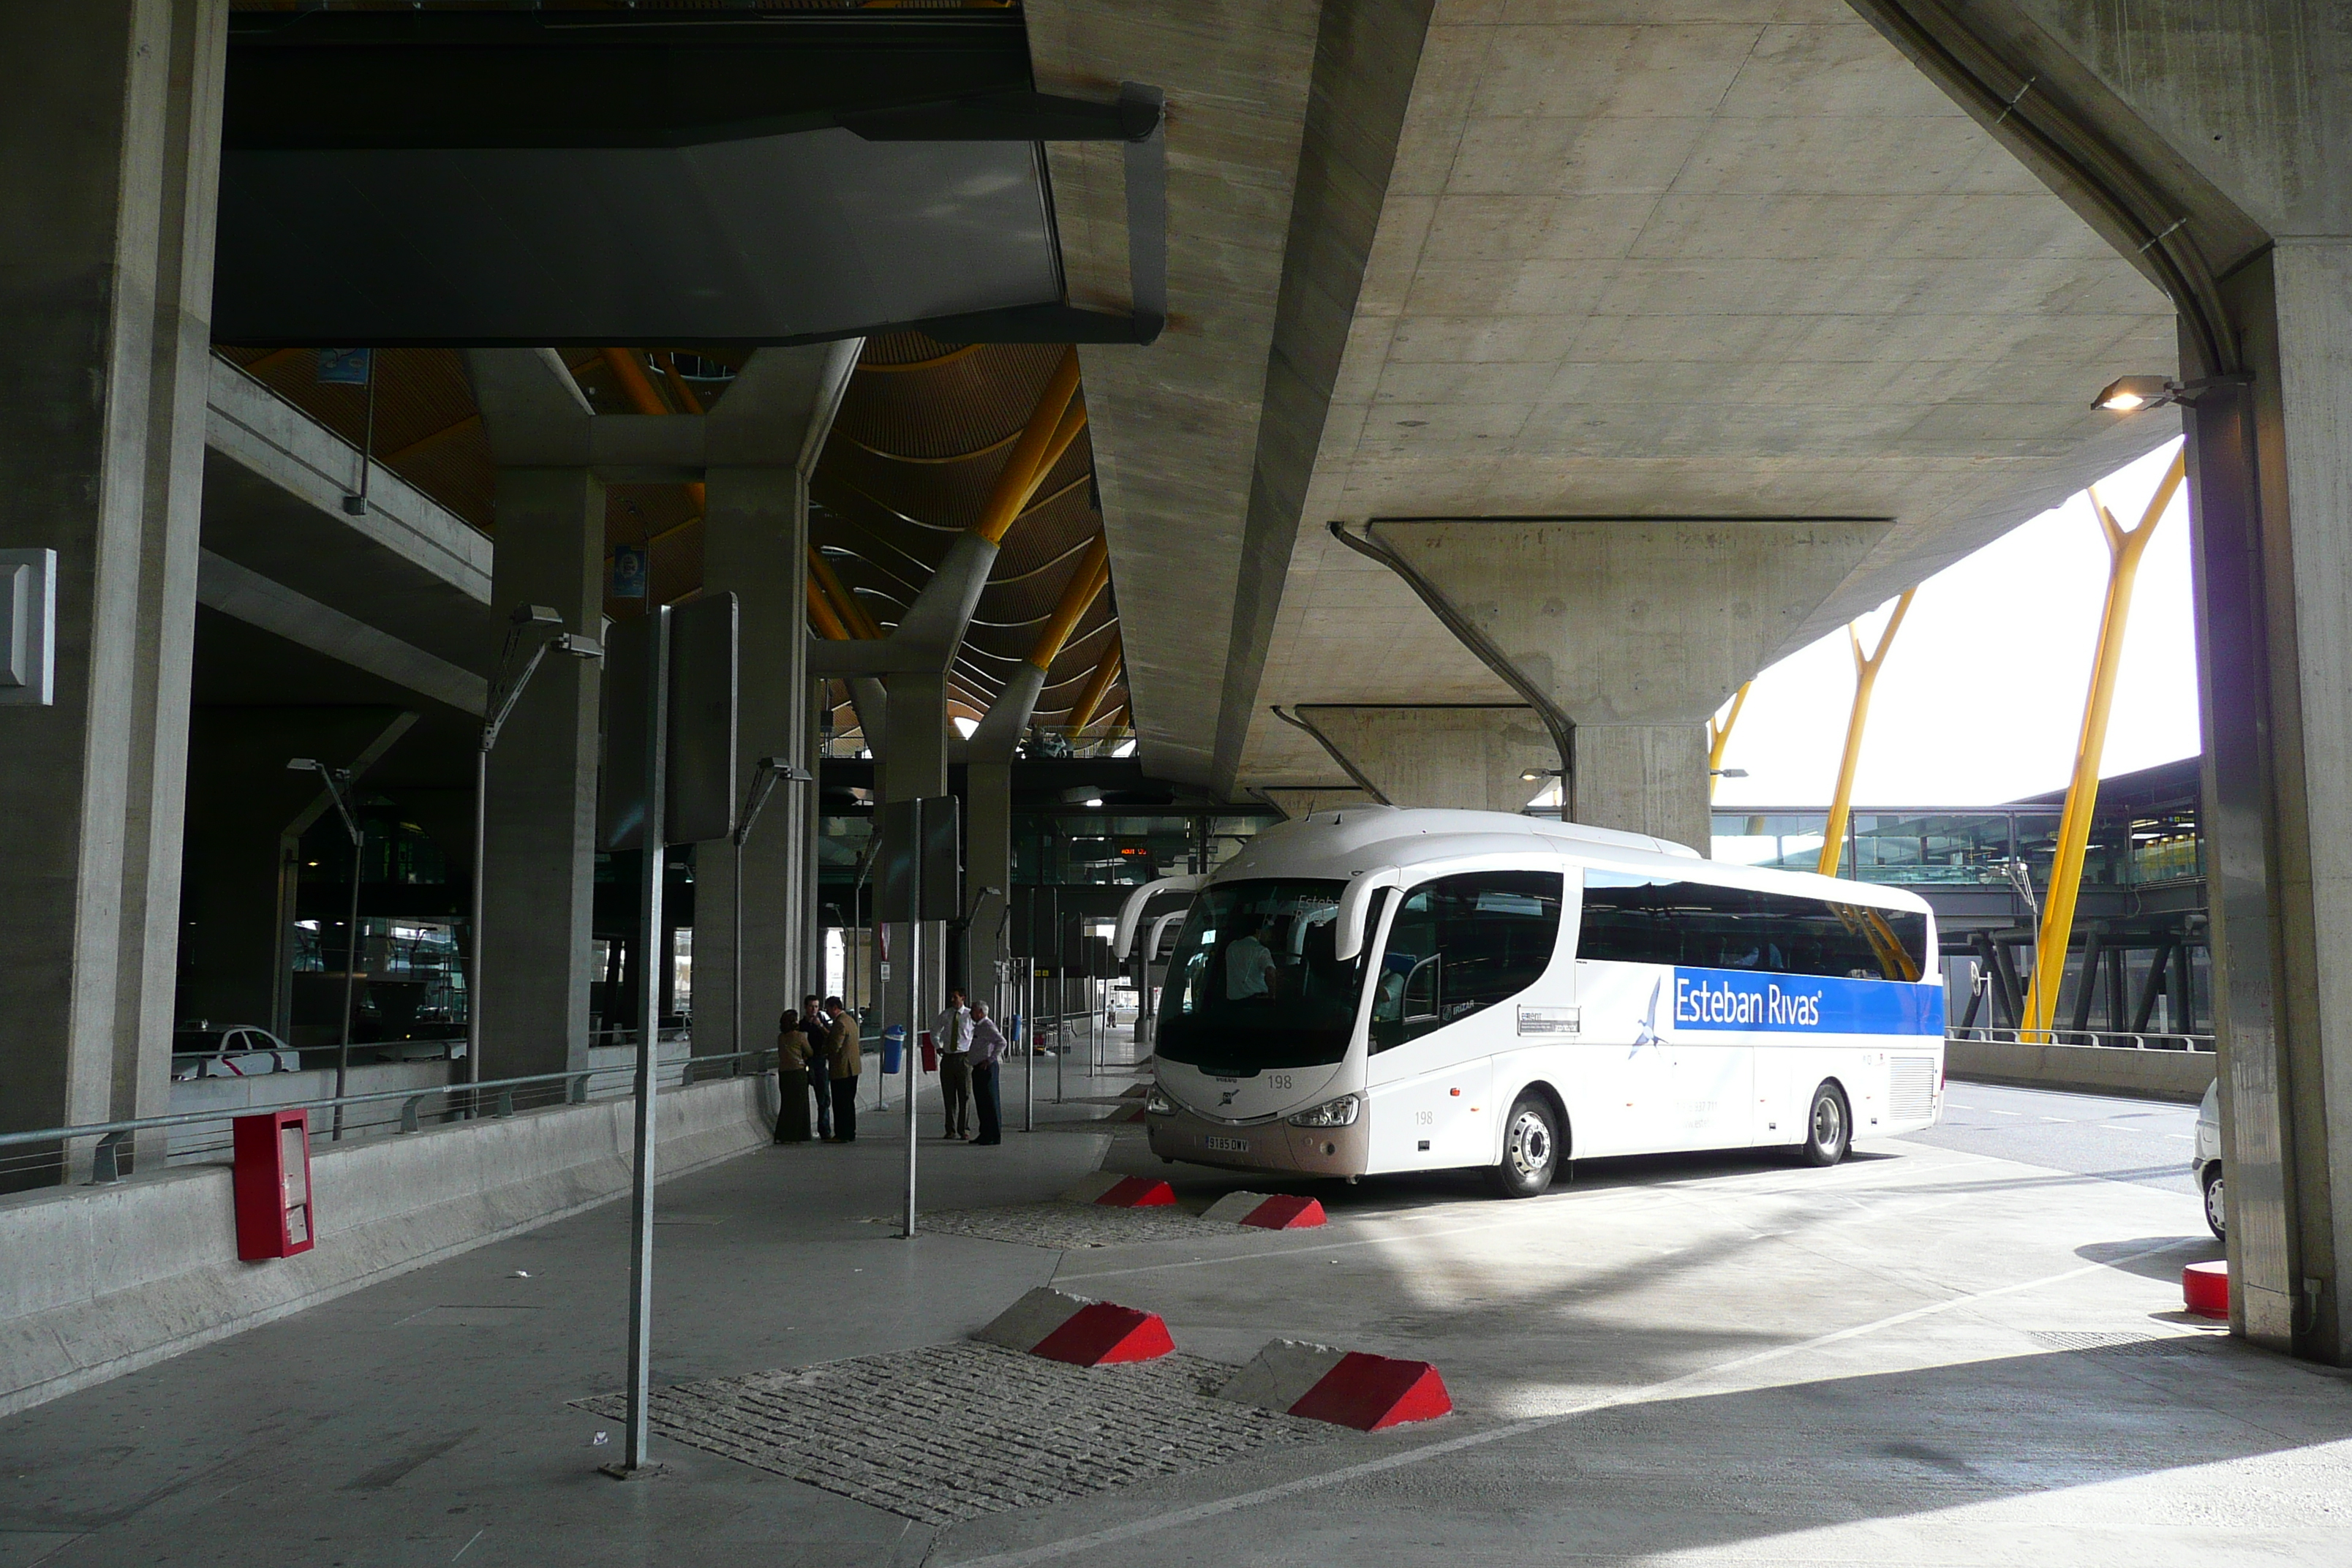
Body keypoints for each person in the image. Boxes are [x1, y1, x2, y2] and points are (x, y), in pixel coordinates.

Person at [934, 987, 974, 1141]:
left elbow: (977, 1035)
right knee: (949, 1096)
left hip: (964, 1058)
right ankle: (950, 1129)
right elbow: (934, 1031)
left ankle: (964, 1128)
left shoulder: (970, 1016)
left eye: (955, 997)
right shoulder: (946, 1015)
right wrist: (938, 1046)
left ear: (963, 998)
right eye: (951, 997)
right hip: (948, 1057)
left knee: (965, 1095)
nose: (952, 1000)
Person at [966, 1001, 1007, 1145]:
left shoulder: (987, 1025)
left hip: (987, 1068)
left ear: (981, 1012)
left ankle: (994, 1135)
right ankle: (985, 1133)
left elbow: (1002, 1042)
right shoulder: (979, 1027)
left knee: (990, 1102)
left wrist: (990, 1060)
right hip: (978, 1067)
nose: (971, 1013)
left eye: (973, 1010)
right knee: (982, 1103)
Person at [822, 995, 860, 1142]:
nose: (827, 1012)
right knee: (849, 1103)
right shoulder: (850, 1021)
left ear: (834, 1008)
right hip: (854, 1069)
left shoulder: (840, 1024)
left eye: (828, 1009)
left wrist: (823, 1051)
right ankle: (850, 1132)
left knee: (840, 1103)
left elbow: (835, 1046)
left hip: (842, 1069)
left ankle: (841, 1134)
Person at [772, 1008, 812, 1143]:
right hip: (798, 1072)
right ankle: (798, 1135)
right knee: (799, 1105)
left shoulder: (781, 1037)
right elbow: (810, 1052)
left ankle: (783, 1134)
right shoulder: (800, 1036)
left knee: (787, 1104)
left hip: (784, 1073)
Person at [800, 993, 833, 1140]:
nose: (814, 1009)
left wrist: (820, 1025)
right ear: (806, 1007)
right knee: (802, 1097)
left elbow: (831, 1037)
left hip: (820, 1062)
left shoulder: (822, 1023)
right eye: (811, 1006)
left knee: (824, 1098)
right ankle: (803, 1130)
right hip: (806, 1063)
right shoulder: (801, 1025)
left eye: (816, 1007)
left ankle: (824, 1130)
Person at [1226, 916, 1279, 1001]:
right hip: (1257, 1002)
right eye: (1267, 930)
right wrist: (1272, 996)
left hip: (1233, 1004)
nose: (1270, 934)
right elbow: (1270, 973)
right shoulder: (1261, 950)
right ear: (1258, 931)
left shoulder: (1231, 947)